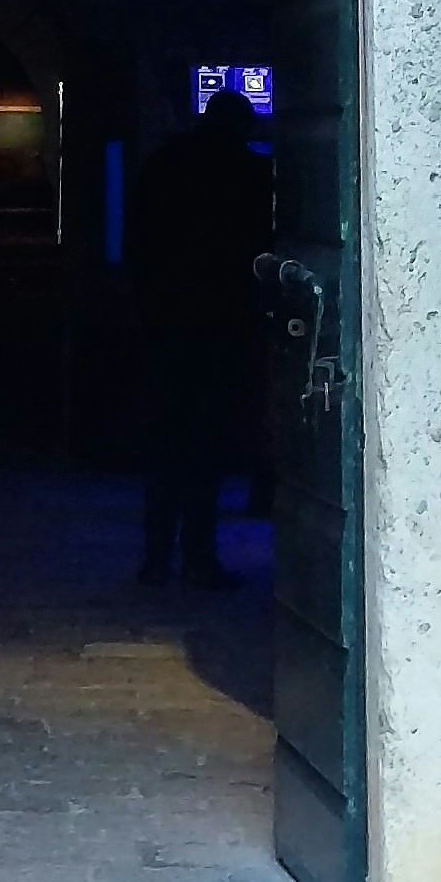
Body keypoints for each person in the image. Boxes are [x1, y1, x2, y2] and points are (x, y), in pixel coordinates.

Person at [131, 85, 271, 587]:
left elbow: (140, 246)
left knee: (167, 448)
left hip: (168, 327)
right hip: (224, 327)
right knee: (207, 450)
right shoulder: (251, 175)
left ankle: (155, 560)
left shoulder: (164, 164)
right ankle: (199, 557)